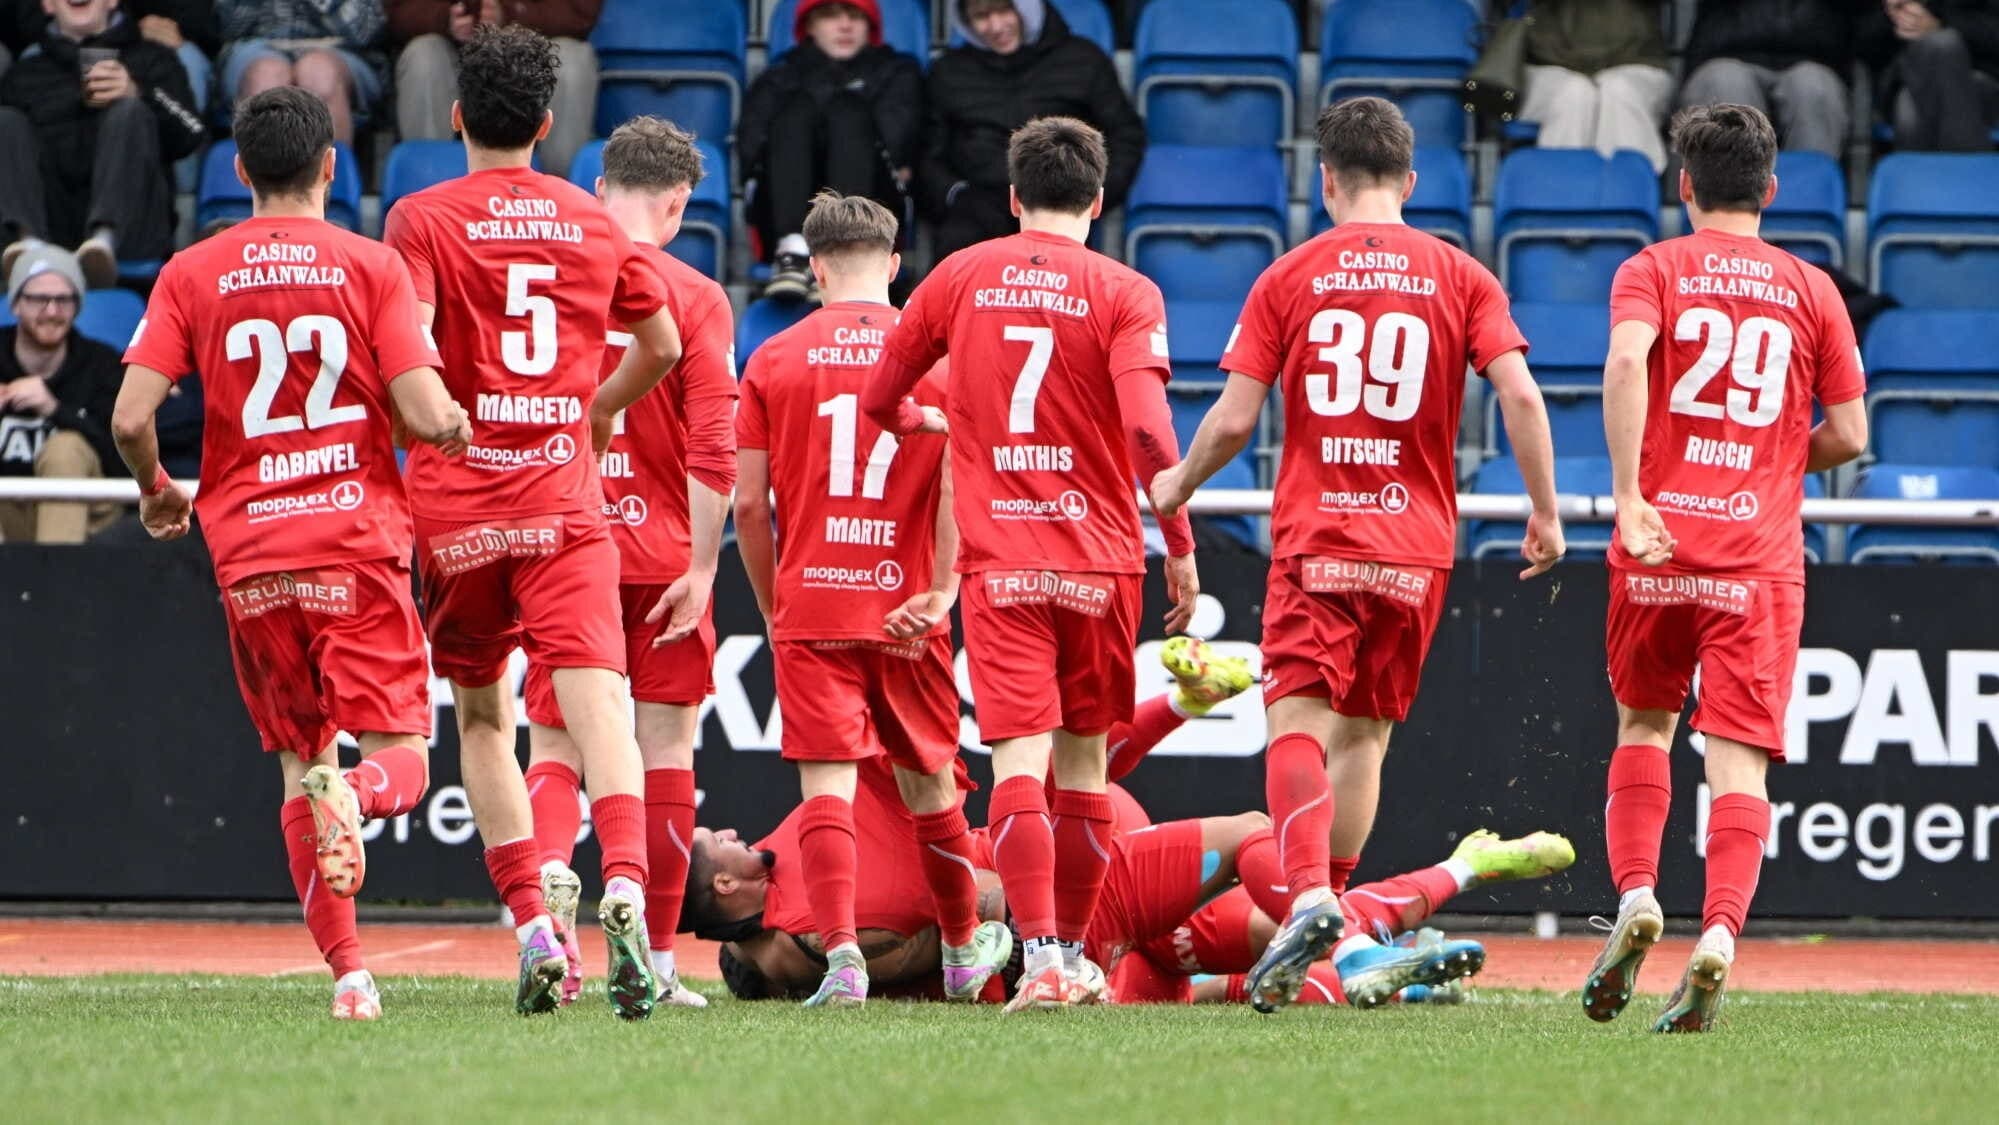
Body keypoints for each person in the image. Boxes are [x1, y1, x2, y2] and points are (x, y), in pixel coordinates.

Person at [1151, 97, 1565, 1014]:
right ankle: (1333, 901)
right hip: (1415, 548)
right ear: (1411, 182)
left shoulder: (1290, 275)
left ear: (1325, 179)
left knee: (1296, 720)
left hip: (1319, 537)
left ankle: (1307, 898)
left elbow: (1234, 418)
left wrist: (1178, 482)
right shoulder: (1461, 275)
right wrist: (1542, 512)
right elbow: (1523, 399)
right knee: (1366, 735)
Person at [108, 86, 472, 1022]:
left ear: (237, 171)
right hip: (352, 545)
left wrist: (157, 492)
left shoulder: (192, 269)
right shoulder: (370, 265)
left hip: (251, 556)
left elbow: (129, 417)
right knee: (399, 761)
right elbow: (427, 414)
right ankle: (349, 792)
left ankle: (351, 976)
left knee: (293, 764)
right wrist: (460, 427)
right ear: (328, 168)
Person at [863, 115, 1200, 1012]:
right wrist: (1182, 544)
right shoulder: (1128, 291)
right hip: (1098, 562)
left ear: (1013, 199)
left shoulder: (958, 275)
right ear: (1097, 199)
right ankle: (1079, 961)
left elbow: (879, 396)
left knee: (1017, 766)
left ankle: (1043, 957)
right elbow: (1144, 428)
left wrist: (916, 421)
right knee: (1084, 770)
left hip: (1000, 563)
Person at [380, 24, 683, 1020]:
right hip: (562, 502)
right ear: (551, 126)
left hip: (459, 509)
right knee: (599, 706)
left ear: (456, 117)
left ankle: (533, 927)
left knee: (481, 715)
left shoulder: (419, 217)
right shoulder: (590, 222)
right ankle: (628, 887)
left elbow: (410, 353)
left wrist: (431, 417)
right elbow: (663, 343)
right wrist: (598, 406)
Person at [1586, 103, 1868, 1034]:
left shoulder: (1652, 267)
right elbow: (1852, 434)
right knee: (1737, 757)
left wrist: (1631, 494)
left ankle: (1634, 895)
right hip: (1756, 560)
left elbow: (1627, 361)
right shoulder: (1810, 287)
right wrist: (1774, 458)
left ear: (1685, 186)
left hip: (1660, 545)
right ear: (1771, 189)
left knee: (1643, 721)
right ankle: (1718, 933)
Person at [735, 190, 1016, 1007]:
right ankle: (963, 949)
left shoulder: (774, 357)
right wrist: (941, 587)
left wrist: (772, 602)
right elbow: (967, 478)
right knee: (930, 785)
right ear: (895, 268)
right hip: (905, 610)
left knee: (826, 786)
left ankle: (845, 957)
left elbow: (750, 506)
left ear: (814, 266)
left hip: (812, 603)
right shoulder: (938, 361)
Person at [518, 115, 734, 1010]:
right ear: (678, 204)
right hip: (660, 557)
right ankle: (654, 951)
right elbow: (713, 444)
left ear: (600, 186)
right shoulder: (692, 294)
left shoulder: (554, 275)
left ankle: (546, 935)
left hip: (563, 544)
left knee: (556, 747)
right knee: (664, 754)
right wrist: (702, 566)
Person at [0, 0, 204, 287]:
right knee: (5, 120)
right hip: (52, 228)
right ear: (47, 5)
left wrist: (138, 92)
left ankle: (103, 243)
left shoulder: (153, 59)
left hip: (133, 234)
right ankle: (28, 244)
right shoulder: (26, 73)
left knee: (129, 111)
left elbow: (190, 134)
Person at [921, 1, 1145, 260]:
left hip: (1061, 200)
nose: (995, 26)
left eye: (1004, 11)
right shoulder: (948, 71)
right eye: (981, 17)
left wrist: (1090, 195)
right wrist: (954, 195)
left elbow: (1125, 136)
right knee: (958, 255)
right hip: (977, 203)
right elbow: (928, 152)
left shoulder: (1083, 60)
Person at [740, 0, 922, 300]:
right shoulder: (781, 75)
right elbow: (750, 150)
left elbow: (900, 144)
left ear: (870, 26)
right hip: (785, 207)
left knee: (848, 114)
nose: (845, 25)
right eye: (830, 16)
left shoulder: (896, 71)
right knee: (794, 113)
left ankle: (847, 247)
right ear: (809, 26)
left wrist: (839, 99)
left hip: (875, 208)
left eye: (855, 16)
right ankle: (794, 251)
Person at [388, 0, 600, 178]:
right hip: (452, 51)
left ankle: (560, 198)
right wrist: (445, 18)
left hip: (538, 52)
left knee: (572, 62)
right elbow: (395, 12)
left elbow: (579, 14)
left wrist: (510, 15)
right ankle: (429, 191)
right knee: (423, 56)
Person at [0, 246, 123, 543]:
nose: (52, 311)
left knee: (65, 448)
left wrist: (55, 409)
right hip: (10, 511)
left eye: (63, 300)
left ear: (77, 306)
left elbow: (125, 462)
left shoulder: (102, 364)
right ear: (16, 304)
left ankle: (54, 586)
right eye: (39, 299)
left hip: (89, 511)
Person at [1676, 0, 1858, 158]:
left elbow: (1870, 29)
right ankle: (1729, 196)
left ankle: (1807, 194)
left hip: (1817, 56)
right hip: (1724, 50)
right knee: (1725, 86)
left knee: (1814, 90)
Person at [1517, 0, 1675, 173]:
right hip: (1549, 64)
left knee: (1619, 90)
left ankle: (1628, 191)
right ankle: (1564, 191)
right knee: (1573, 93)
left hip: (1635, 62)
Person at [216, 0, 387, 145]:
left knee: (319, 74)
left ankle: (328, 181)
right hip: (259, 46)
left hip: (340, 50)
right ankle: (264, 181)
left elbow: (364, 32)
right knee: (266, 79)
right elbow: (226, 27)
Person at [1858, 0, 1999, 151]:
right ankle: (1968, 166)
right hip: (1903, 79)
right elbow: (1859, 44)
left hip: (1979, 84)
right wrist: (1891, 14)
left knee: (1909, 112)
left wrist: (1938, 19)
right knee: (1908, 111)